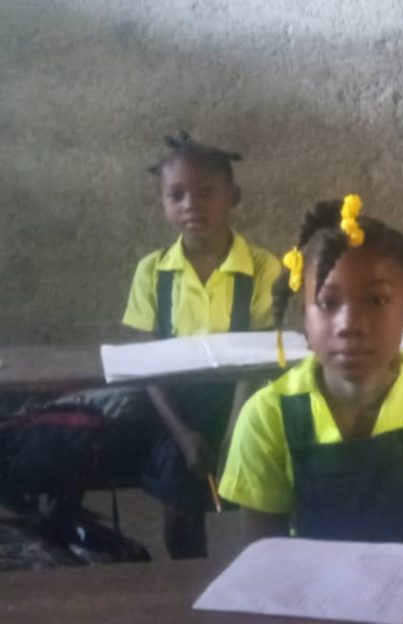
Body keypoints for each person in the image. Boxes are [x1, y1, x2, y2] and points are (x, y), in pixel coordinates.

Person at [219, 195, 403, 543]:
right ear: (304, 318)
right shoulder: (266, 417)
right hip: (307, 590)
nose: (350, 324)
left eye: (376, 300)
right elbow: (265, 563)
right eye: (327, 302)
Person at [122, 131, 281, 558]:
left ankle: (258, 578)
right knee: (180, 506)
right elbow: (146, 365)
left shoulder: (263, 268)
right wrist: (183, 434)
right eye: (177, 195)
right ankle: (188, 590)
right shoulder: (153, 272)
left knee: (258, 499)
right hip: (175, 407)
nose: (192, 204)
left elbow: (260, 362)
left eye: (206, 192)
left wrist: (234, 430)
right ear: (163, 204)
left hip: (245, 402)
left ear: (234, 196)